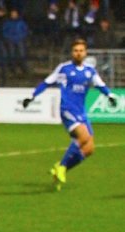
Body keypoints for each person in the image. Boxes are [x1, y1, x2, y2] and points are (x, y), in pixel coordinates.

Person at [22, 38, 117, 191]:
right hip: (67, 109)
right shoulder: (64, 68)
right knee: (84, 137)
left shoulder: (90, 71)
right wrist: (32, 96)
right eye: (75, 51)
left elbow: (101, 85)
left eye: (81, 50)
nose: (78, 53)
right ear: (72, 53)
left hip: (81, 111)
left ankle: (61, 168)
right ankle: (62, 167)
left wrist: (110, 96)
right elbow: (47, 82)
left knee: (89, 149)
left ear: (85, 53)